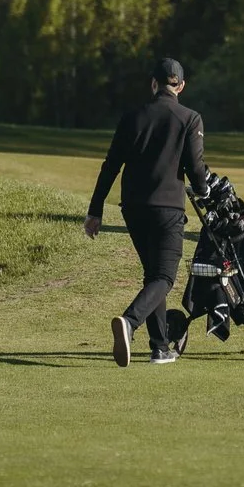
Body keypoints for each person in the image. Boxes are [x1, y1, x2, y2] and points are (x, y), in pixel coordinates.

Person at [86, 57, 208, 367]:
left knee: (153, 274)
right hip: (167, 208)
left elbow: (110, 165)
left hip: (134, 209)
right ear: (180, 86)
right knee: (165, 277)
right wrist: (205, 190)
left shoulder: (132, 117)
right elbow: (196, 170)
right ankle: (129, 322)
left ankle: (160, 347)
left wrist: (95, 210)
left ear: (153, 84)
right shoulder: (190, 119)